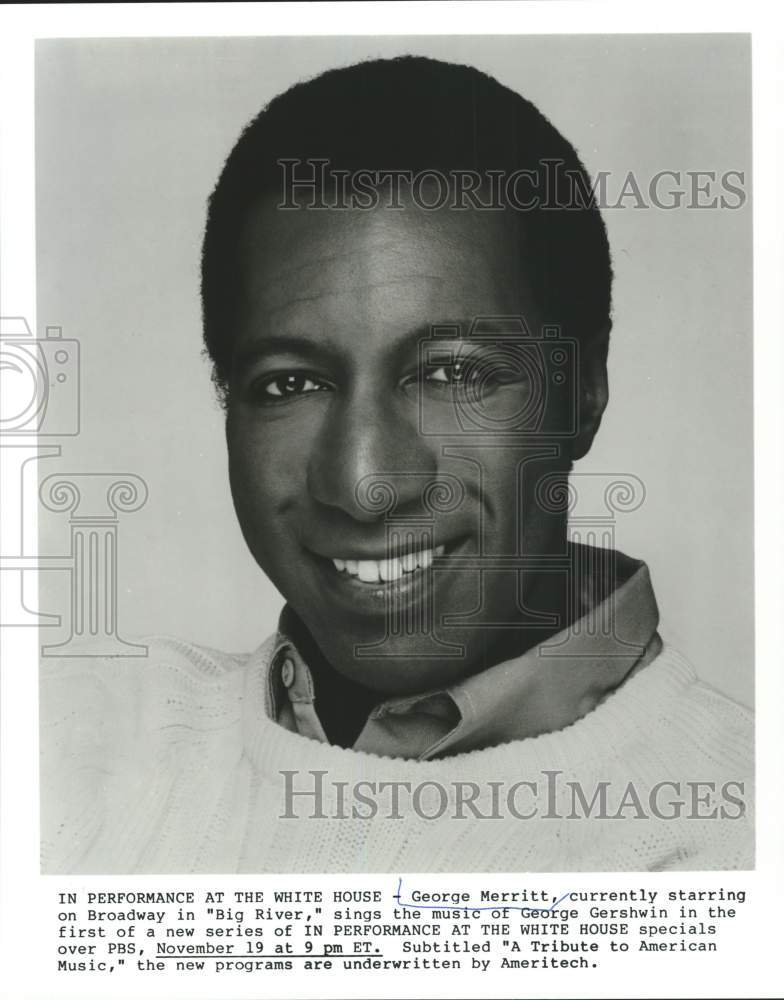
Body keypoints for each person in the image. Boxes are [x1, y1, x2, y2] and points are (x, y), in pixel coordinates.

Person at [40, 55, 753, 873]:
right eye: (291, 382)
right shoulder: (68, 756)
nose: (362, 482)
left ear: (583, 390)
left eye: (452, 373)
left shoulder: (733, 833)